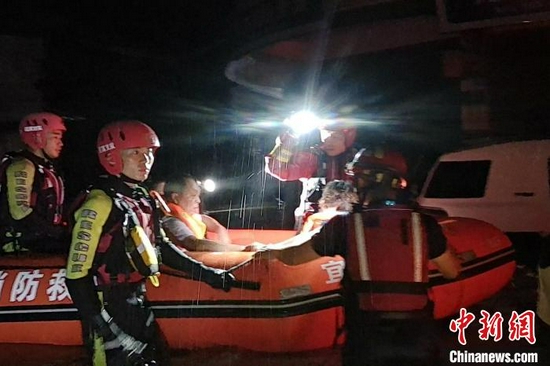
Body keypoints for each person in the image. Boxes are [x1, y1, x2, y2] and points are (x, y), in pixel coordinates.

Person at [65, 120, 235, 366]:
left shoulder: (143, 199)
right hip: (106, 304)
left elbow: (162, 248)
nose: (145, 160)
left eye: (148, 153)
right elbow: (76, 275)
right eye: (135, 153)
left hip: (136, 300)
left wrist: (208, 274)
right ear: (112, 156)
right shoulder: (99, 203)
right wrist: (101, 325)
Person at [276, 148, 460, 366]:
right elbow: (452, 271)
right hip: (418, 337)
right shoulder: (424, 224)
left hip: (367, 339)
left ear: (365, 182)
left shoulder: (345, 225)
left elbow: (292, 258)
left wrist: (269, 250)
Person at [265, 119, 358, 230]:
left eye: (336, 137)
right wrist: (289, 139)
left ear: (347, 140)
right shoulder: (312, 159)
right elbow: (278, 170)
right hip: (312, 225)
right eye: (326, 137)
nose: (329, 142)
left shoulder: (360, 162)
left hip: (352, 226)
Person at [0, 112, 67, 254]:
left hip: (39, 243)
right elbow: (19, 211)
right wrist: (57, 233)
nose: (60, 143)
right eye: (55, 137)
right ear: (38, 137)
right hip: (20, 250)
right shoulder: (23, 166)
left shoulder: (46, 167)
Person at [160, 174, 262, 252]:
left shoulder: (194, 217)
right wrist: (241, 249)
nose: (198, 201)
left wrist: (224, 244)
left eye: (198, 196)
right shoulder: (171, 222)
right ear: (175, 198)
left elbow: (217, 227)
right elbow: (195, 244)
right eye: (193, 196)